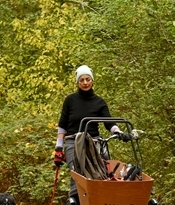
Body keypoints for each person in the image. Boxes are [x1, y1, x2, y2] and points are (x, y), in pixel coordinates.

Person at [56, 65, 130, 196]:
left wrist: (117, 132)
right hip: (73, 141)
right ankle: (76, 202)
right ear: (77, 82)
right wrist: (58, 147)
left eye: (87, 79)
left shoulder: (99, 102)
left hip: (94, 141)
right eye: (82, 80)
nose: (85, 83)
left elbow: (109, 122)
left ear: (92, 80)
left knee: (105, 167)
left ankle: (102, 199)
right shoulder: (70, 100)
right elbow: (62, 125)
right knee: (77, 170)